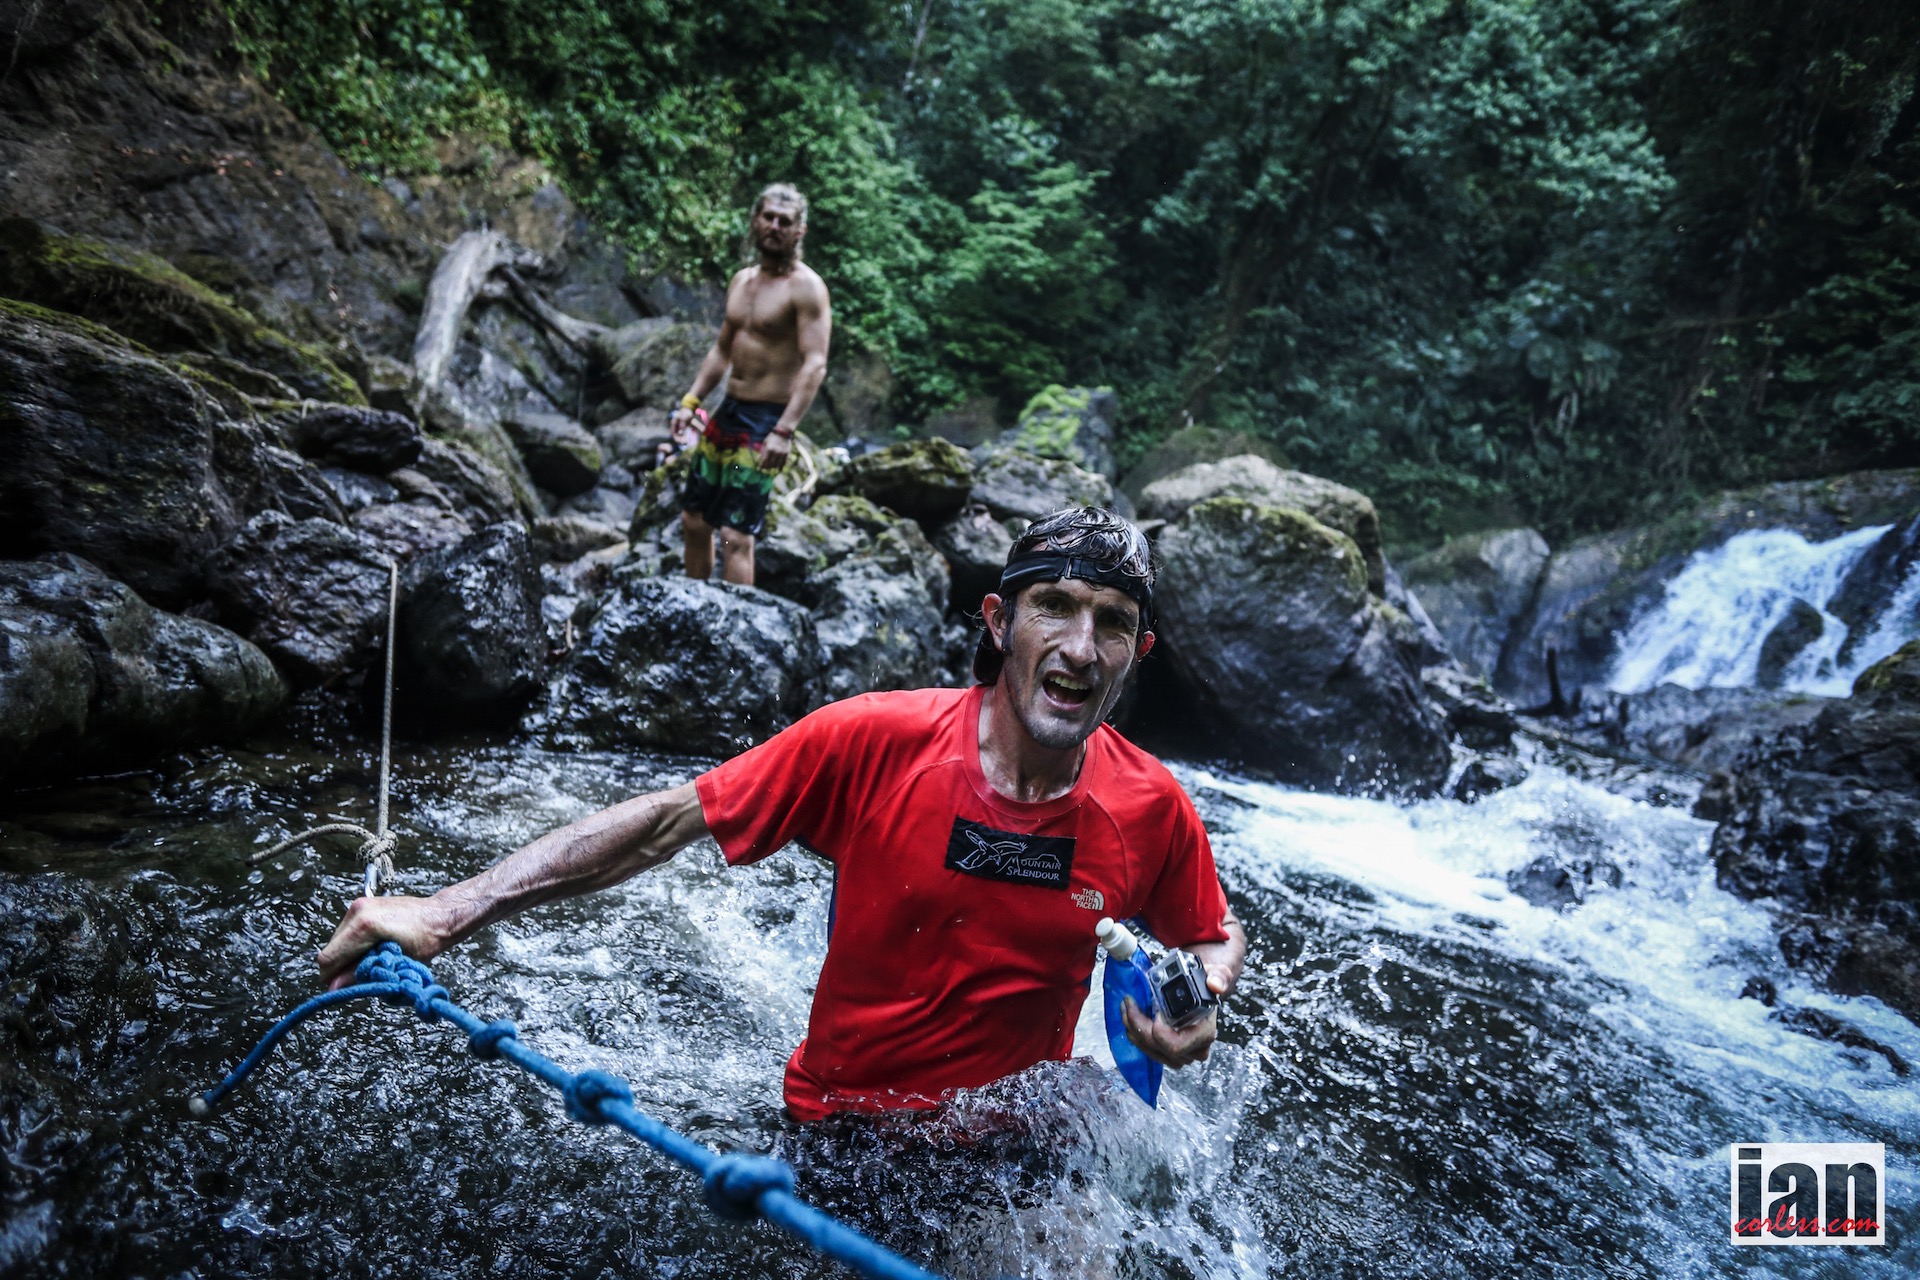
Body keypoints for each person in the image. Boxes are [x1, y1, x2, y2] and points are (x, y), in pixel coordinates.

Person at [318, 507, 1246, 1121]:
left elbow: (1212, 933)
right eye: (1056, 607)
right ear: (1001, 622)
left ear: (1138, 650)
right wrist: (446, 911)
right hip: (845, 1130)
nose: (1081, 648)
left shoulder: (1151, 805)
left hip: (1020, 1142)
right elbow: (664, 822)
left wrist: (1200, 1000)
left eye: (1112, 622)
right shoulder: (873, 740)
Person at [672, 182, 831, 586]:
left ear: (799, 231)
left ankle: (736, 621)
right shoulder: (742, 281)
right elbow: (721, 350)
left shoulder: (806, 288)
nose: (774, 226)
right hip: (729, 410)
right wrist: (691, 401)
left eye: (785, 221)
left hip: (766, 421)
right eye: (768, 217)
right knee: (694, 519)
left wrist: (784, 431)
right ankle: (692, 601)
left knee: (735, 534)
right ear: (755, 220)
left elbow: (815, 364)